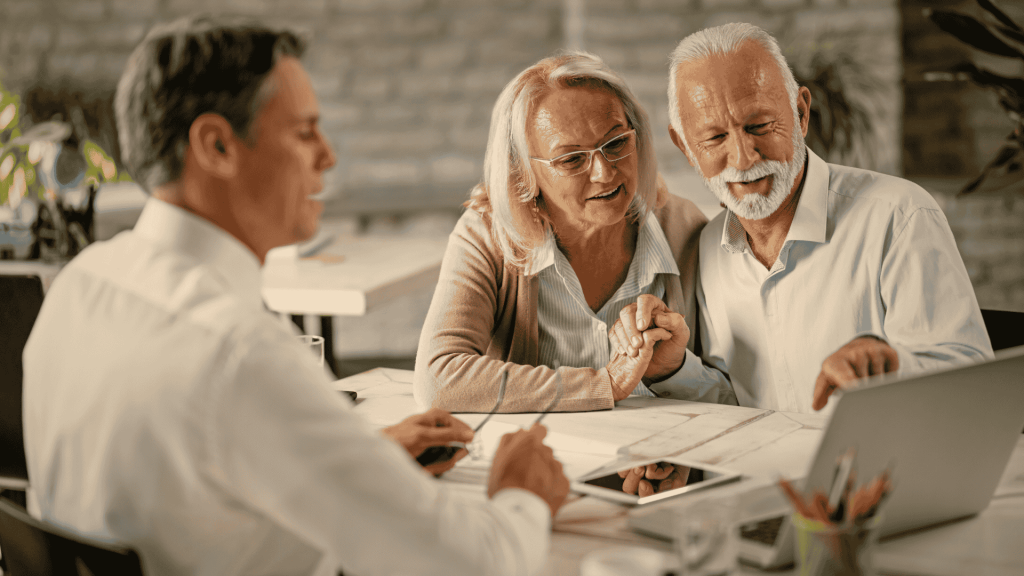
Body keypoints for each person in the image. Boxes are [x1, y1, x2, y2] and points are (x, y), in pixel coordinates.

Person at [22, 16, 569, 576]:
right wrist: (520, 494)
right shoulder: (240, 354)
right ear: (216, 146)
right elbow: (477, 565)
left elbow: (193, 475)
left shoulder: (79, 286)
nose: (328, 157)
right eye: (305, 132)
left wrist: (357, 457)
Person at [613, 22, 993, 414]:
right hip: (769, 473)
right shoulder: (709, 246)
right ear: (686, 147)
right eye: (714, 139)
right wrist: (672, 369)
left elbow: (972, 384)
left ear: (801, 112)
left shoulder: (899, 215)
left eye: (759, 126)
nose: (743, 159)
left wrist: (888, 366)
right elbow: (740, 405)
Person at [413, 52, 736, 413]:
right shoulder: (488, 235)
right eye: (571, 159)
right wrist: (606, 384)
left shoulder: (686, 228)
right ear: (524, 174)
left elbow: (735, 395)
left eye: (616, 144)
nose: (603, 173)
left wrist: (673, 371)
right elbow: (439, 379)